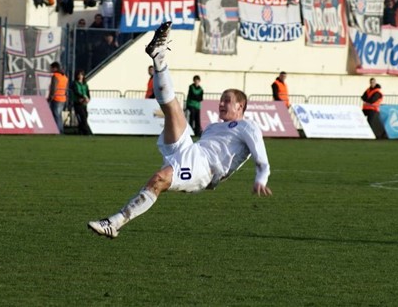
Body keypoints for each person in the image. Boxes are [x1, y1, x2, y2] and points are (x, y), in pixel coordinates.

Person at [88, 21, 272, 239]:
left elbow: (262, 159)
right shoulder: (213, 126)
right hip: (192, 150)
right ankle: (159, 58)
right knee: (171, 106)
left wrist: (262, 178)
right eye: (221, 100)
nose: (221, 104)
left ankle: (114, 222)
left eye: (227, 101)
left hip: (204, 168)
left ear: (240, 106)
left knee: (158, 179)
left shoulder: (248, 126)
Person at [47, 62, 69, 134]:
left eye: (51, 68)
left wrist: (50, 97)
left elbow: (54, 88)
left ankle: (58, 130)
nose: (51, 69)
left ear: (55, 68)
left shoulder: (55, 76)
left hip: (56, 98)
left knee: (56, 115)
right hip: (63, 98)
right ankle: (60, 129)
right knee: (59, 115)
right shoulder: (64, 76)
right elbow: (65, 88)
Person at [71, 69, 93, 136]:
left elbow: (88, 93)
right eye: (79, 74)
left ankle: (81, 132)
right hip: (78, 103)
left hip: (84, 104)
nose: (80, 76)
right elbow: (76, 92)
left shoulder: (85, 84)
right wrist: (83, 97)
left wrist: (88, 98)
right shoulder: (75, 83)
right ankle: (88, 133)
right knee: (82, 118)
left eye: (81, 75)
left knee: (85, 117)